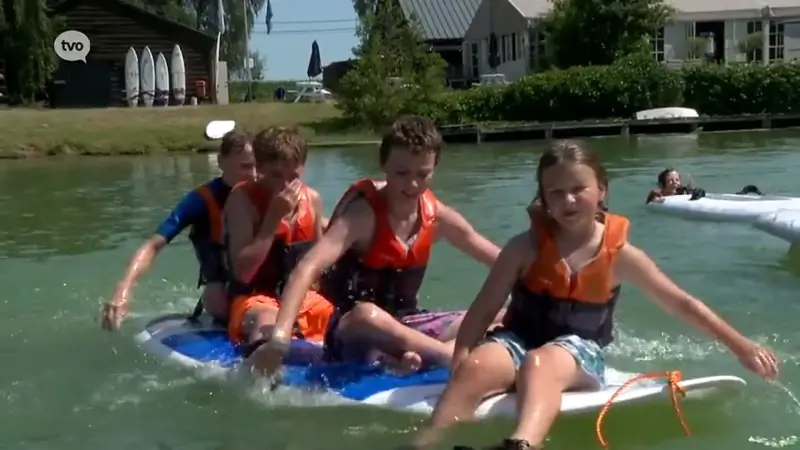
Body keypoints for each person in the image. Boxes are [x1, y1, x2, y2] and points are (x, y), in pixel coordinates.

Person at [410, 140, 780, 450]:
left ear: (602, 189)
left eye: (578, 189)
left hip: (577, 351)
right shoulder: (523, 248)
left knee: (539, 365)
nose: (568, 200)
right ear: (544, 199)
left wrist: (741, 346)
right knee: (477, 367)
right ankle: (427, 442)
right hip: (518, 337)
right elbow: (483, 310)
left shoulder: (621, 256)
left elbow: (682, 303)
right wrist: (460, 360)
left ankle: (522, 443)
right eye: (555, 192)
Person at [249, 115, 503, 376]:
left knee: (500, 315)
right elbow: (306, 268)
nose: (412, 184)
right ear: (383, 165)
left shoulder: (436, 216)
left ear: (434, 169)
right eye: (402, 173)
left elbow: (501, 261)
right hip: (354, 332)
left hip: (408, 324)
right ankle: (447, 355)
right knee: (367, 315)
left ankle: (408, 356)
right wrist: (279, 339)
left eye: (423, 174)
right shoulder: (363, 216)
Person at [100, 131, 256, 331]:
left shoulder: (267, 193)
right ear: (221, 162)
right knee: (217, 300)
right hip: (221, 292)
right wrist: (124, 288)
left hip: (259, 282)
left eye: (257, 166)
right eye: (245, 166)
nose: (253, 174)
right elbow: (153, 245)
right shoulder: (200, 200)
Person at [223, 127, 334, 371]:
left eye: (292, 176)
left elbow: (316, 267)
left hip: (301, 298)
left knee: (343, 319)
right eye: (275, 175)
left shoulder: (312, 200)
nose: (284, 185)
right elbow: (242, 272)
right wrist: (273, 219)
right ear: (259, 169)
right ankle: (264, 375)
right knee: (267, 322)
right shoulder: (241, 199)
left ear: (303, 168)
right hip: (255, 298)